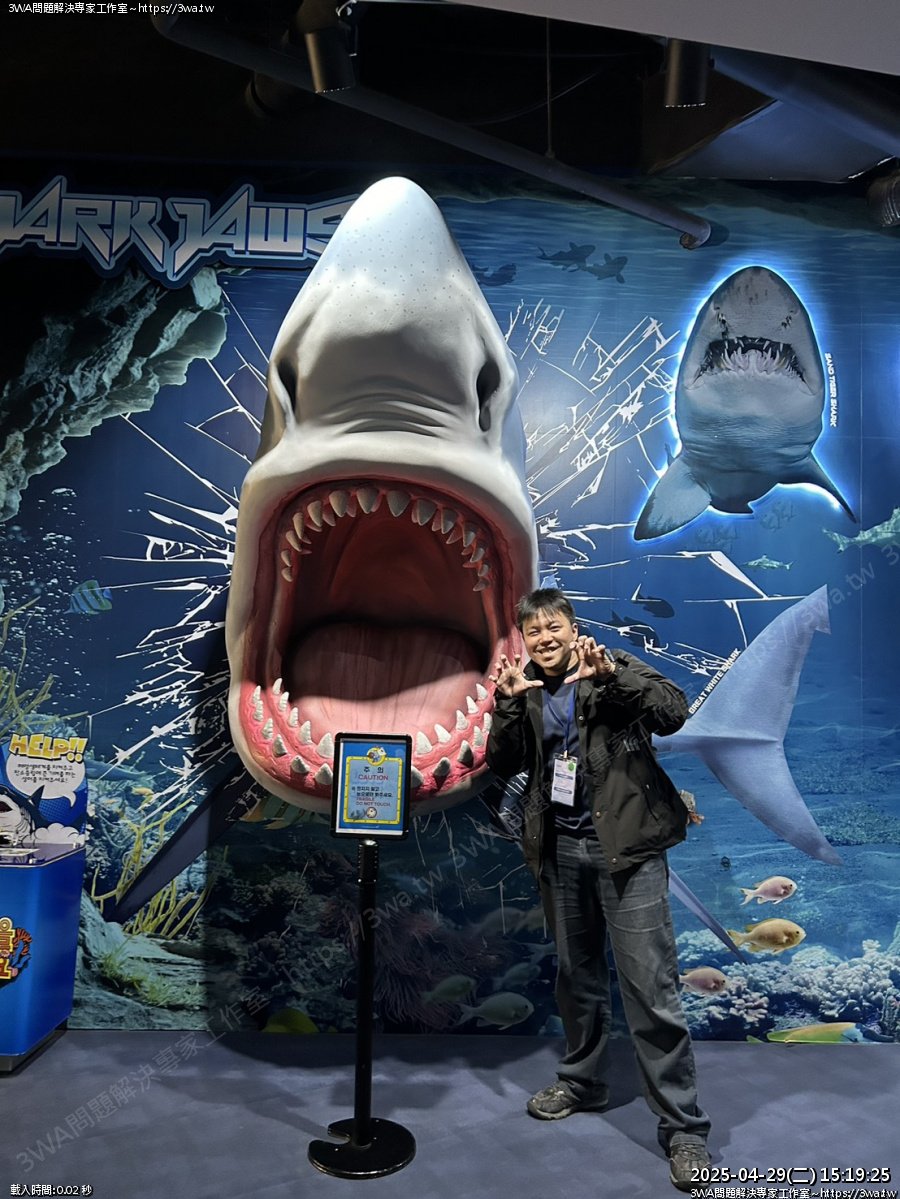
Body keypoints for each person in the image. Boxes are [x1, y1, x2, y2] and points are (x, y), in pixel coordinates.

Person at [486, 587, 710, 1192]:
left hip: (627, 854)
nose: (545, 639)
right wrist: (506, 705)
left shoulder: (610, 665)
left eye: (553, 626)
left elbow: (673, 711)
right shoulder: (526, 688)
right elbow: (501, 763)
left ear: (571, 627)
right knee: (577, 979)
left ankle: (683, 1127)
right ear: (524, 640)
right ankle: (583, 1082)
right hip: (561, 854)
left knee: (650, 988)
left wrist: (613, 679)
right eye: (533, 631)